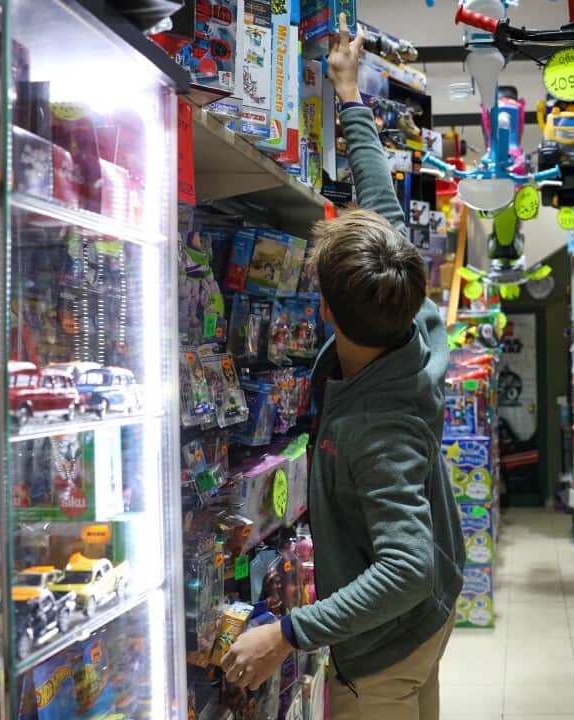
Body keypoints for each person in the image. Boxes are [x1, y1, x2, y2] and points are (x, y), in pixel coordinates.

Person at [219, 19, 466, 720]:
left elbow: (406, 567)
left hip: (386, 649)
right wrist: (348, 93)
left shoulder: (376, 426)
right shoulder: (409, 312)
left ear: (324, 310)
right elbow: (381, 197)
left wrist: (288, 634)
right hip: (427, 617)